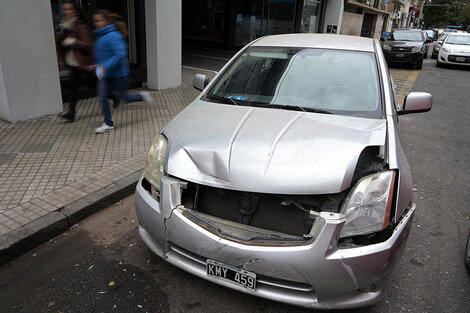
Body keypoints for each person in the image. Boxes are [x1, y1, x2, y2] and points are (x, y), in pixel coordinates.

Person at [90, 10, 153, 134]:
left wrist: (104, 66)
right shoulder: (99, 36)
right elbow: (102, 56)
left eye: (100, 20)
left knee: (124, 99)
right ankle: (108, 123)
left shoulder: (114, 35)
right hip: (105, 75)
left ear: (107, 21)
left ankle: (142, 96)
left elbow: (120, 54)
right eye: (96, 21)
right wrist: (95, 65)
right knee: (102, 98)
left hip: (120, 75)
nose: (97, 23)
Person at [59, 1, 94, 122]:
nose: (66, 12)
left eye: (69, 9)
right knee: (73, 87)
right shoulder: (66, 25)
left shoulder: (80, 25)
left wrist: (72, 41)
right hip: (74, 63)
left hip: (84, 63)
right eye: (65, 9)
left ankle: (113, 96)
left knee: (94, 85)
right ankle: (71, 113)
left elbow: (88, 44)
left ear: (75, 11)